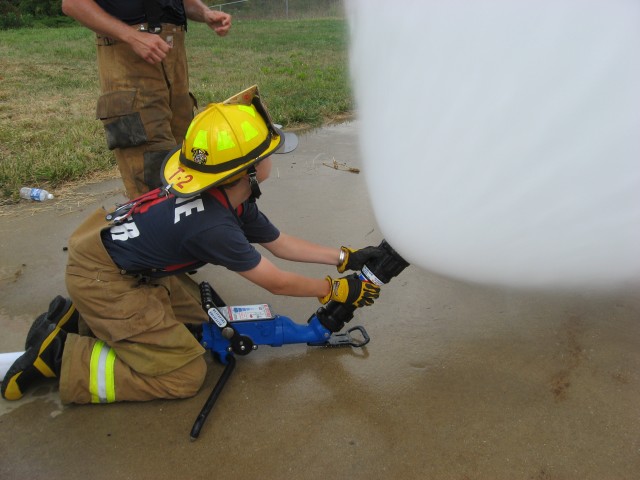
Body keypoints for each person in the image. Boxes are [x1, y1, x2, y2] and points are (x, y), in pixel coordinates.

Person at [1, 86, 384, 404]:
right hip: (104, 278)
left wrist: (343, 257)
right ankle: (62, 356)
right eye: (268, 153)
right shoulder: (214, 225)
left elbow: (280, 244)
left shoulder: (228, 197)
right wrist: (333, 289)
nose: (273, 158)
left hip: (110, 253)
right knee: (184, 374)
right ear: (246, 171)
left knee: (199, 329)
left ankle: (76, 319)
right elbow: (276, 282)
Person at [61, 0, 232, 199]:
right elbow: (73, 4)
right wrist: (132, 37)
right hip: (128, 59)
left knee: (187, 165)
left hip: (172, 54)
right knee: (153, 177)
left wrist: (204, 13)